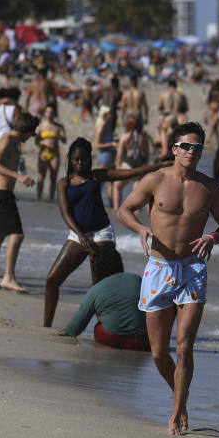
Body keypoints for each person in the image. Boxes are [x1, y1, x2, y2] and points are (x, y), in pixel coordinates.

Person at [116, 121, 219, 435]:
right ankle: (181, 392)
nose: (191, 152)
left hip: (193, 269)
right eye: (186, 146)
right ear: (174, 149)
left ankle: (178, 411)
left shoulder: (210, 188)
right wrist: (140, 228)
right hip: (158, 267)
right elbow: (125, 209)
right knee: (158, 352)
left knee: (184, 348)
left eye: (197, 148)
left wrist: (212, 238)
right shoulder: (154, 180)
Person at [44, 137, 165, 327]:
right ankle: (46, 326)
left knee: (101, 286)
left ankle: (107, 328)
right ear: (70, 159)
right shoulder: (63, 183)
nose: (80, 163)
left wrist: (160, 165)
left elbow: (130, 173)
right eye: (76, 159)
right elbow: (65, 213)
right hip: (77, 234)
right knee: (52, 280)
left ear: (90, 159)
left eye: (84, 159)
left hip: (102, 233)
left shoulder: (96, 176)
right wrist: (81, 235)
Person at [0, 111, 39, 293]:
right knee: (17, 235)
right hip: (0, 195)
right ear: (27, 131)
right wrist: (18, 176)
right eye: (32, 133)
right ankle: (8, 277)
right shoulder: (6, 140)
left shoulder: (13, 143)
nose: (32, 137)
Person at [57, 246, 150, 351]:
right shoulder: (136, 279)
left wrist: (69, 331)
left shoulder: (96, 289)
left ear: (97, 269)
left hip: (112, 339)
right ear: (120, 263)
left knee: (98, 328)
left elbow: (80, 320)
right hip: (142, 342)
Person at [112, 114, 152, 209]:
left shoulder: (124, 137)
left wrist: (118, 166)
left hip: (128, 163)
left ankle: (117, 209)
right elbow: (147, 153)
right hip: (140, 163)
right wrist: (146, 164)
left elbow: (120, 154)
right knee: (137, 190)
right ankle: (138, 211)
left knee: (117, 186)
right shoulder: (143, 137)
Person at [35, 105, 66, 201]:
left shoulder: (59, 126)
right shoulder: (40, 126)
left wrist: (61, 136)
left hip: (55, 154)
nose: (49, 114)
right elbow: (36, 141)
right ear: (45, 113)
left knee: (53, 178)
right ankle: (39, 198)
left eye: (51, 112)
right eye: (48, 112)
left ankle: (51, 199)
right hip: (43, 153)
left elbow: (64, 141)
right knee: (41, 177)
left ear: (54, 114)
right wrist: (44, 142)